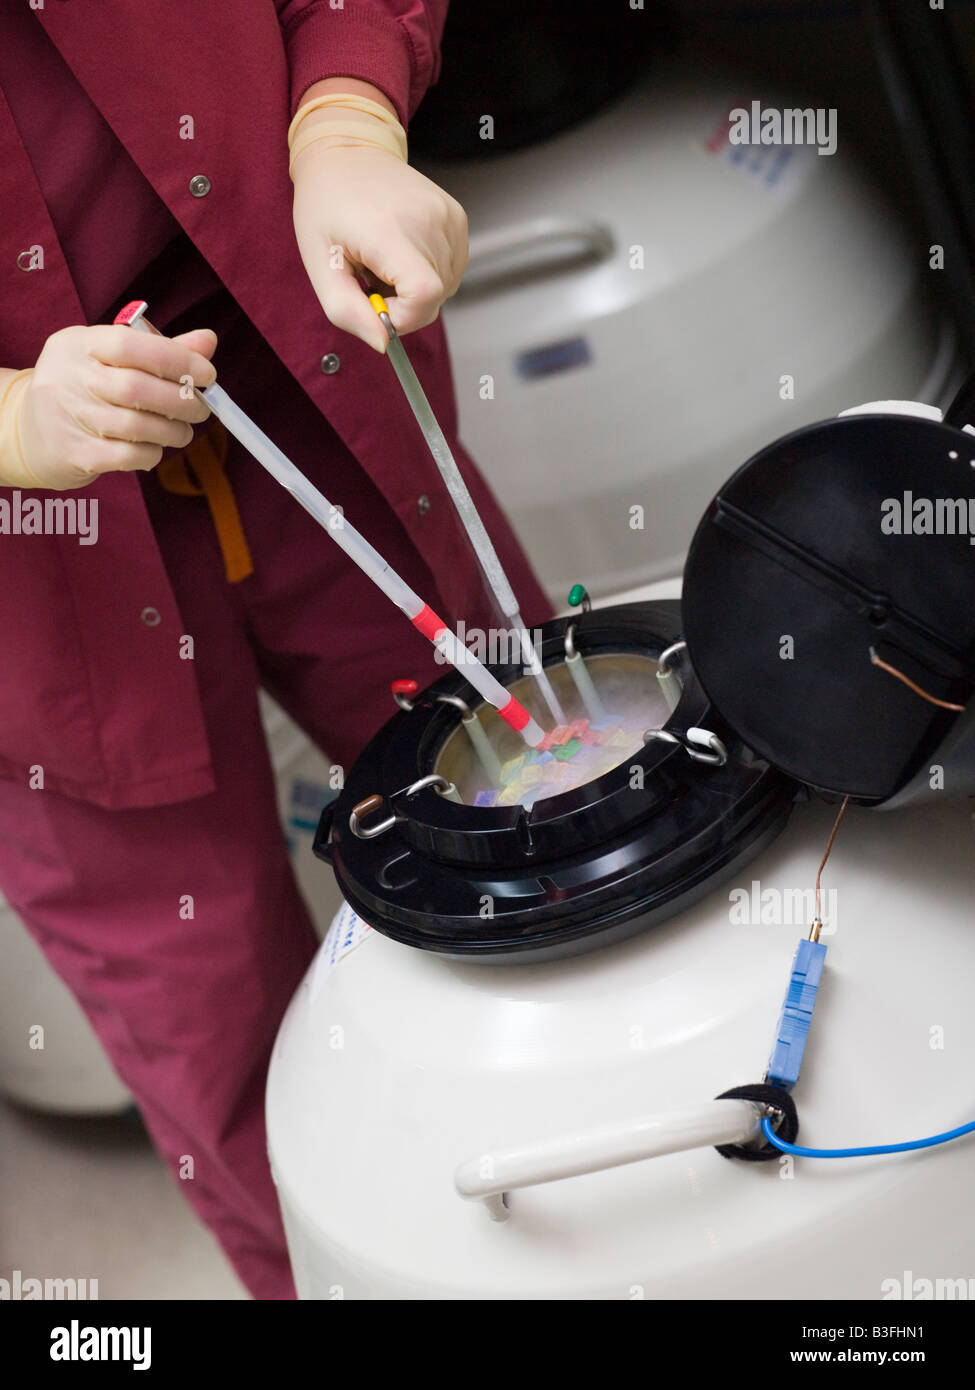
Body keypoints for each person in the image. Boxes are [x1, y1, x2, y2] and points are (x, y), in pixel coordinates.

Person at [0, 2, 549, 1300]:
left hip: (298, 352)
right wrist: (16, 420)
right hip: (29, 569)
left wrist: (347, 124)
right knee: (219, 1025)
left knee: (537, 807)